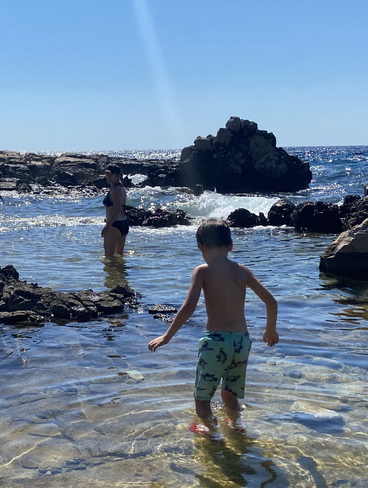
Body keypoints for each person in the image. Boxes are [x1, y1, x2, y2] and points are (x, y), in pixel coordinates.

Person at [148, 219, 279, 436]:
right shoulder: (242, 271)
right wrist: (270, 330)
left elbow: (189, 307)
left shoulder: (202, 271)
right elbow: (271, 302)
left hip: (215, 342)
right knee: (230, 394)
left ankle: (211, 432)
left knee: (202, 398)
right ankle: (237, 426)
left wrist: (167, 336)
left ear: (201, 246)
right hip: (241, 341)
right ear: (230, 246)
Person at [101, 164, 128, 258]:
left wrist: (107, 226)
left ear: (117, 176)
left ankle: (112, 272)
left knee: (108, 256)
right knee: (118, 255)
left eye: (110, 175)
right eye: (106, 174)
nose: (107, 177)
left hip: (114, 225)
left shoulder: (116, 190)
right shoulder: (121, 188)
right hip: (123, 223)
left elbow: (116, 210)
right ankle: (119, 272)